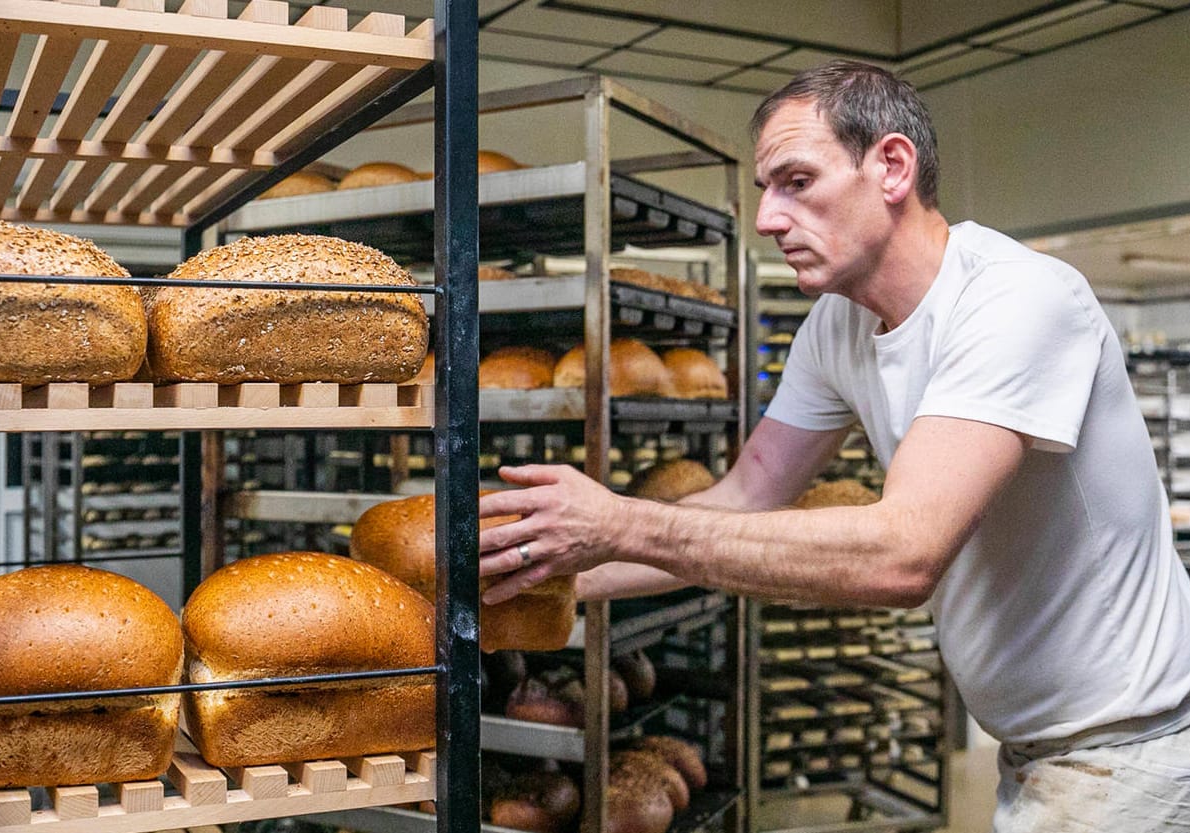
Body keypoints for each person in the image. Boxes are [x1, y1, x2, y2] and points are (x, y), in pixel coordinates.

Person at [476, 60, 1190, 830]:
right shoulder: (837, 324)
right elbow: (745, 495)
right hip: (1038, 747)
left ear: (890, 165)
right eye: (764, 190)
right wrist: (542, 574)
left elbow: (902, 553)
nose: (766, 219)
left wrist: (619, 522)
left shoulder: (1016, 300)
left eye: (795, 181)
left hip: (1134, 751)